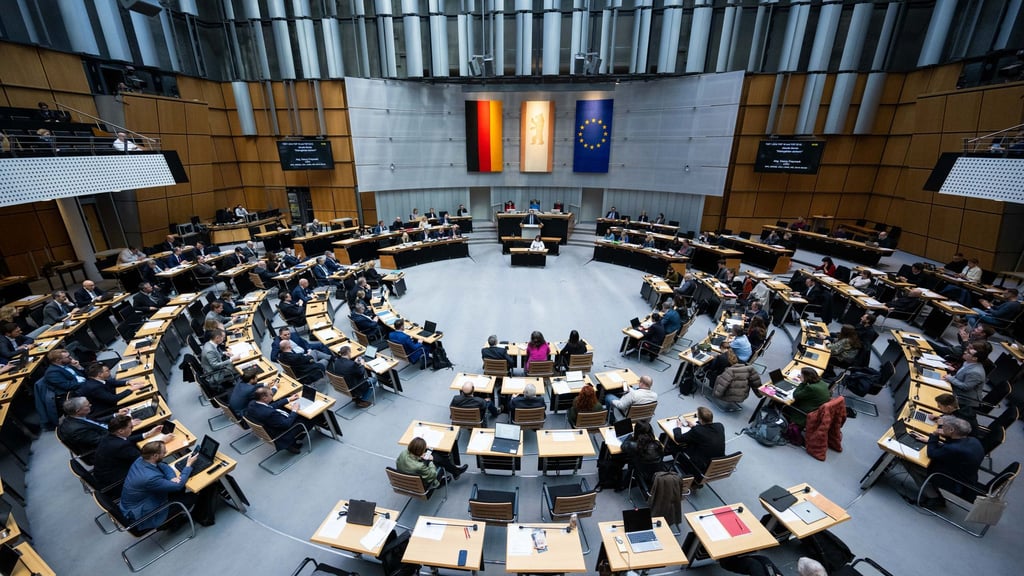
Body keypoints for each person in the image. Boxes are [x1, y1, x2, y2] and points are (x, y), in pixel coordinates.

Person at [907, 417, 984, 509]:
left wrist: (934, 435)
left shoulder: (953, 449)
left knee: (911, 463)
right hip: (968, 478)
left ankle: (934, 498)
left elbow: (931, 453)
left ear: (951, 430)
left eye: (944, 427)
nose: (942, 428)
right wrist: (933, 440)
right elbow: (952, 444)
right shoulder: (974, 441)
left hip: (954, 482)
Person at [119, 441, 197, 530]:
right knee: (192, 496)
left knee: (181, 488)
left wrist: (172, 478)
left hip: (145, 499)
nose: (166, 453)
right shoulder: (149, 478)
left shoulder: (142, 459)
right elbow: (178, 486)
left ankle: (175, 521)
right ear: (155, 456)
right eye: (163, 452)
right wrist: (188, 465)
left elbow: (164, 465)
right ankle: (176, 522)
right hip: (146, 514)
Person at [93, 413, 166, 490]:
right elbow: (145, 459)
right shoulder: (121, 446)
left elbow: (127, 440)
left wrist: (148, 434)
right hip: (117, 480)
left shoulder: (110, 436)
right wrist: (159, 442)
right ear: (121, 431)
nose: (133, 427)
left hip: (103, 473)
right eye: (130, 427)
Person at [246, 386, 308, 453]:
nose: (272, 395)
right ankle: (293, 441)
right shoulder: (269, 413)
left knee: (288, 409)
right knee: (308, 418)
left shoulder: (252, 404)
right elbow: (286, 424)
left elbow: (270, 407)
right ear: (264, 398)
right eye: (271, 394)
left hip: (271, 427)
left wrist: (288, 399)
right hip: (281, 433)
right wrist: (294, 410)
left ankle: (291, 443)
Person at [74, 363, 149, 417]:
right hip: (105, 410)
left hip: (108, 400)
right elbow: (113, 399)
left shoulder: (95, 379)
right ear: (100, 374)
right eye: (107, 371)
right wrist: (130, 390)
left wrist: (127, 382)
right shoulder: (95, 387)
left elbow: (111, 382)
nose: (110, 371)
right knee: (140, 398)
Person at [670, 407, 725, 478]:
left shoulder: (697, 431)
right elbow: (707, 433)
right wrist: (695, 426)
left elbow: (678, 438)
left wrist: (678, 427)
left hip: (699, 469)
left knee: (674, 446)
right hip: (716, 465)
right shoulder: (720, 426)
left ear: (701, 420)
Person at [396, 437, 467, 489]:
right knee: (437, 459)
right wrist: (430, 461)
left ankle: (455, 471)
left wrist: (420, 456)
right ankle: (443, 480)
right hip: (422, 484)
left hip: (406, 478)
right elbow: (433, 475)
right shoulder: (419, 466)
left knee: (435, 455)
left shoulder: (403, 453)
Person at [620, 420, 663, 490]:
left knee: (628, 459)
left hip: (641, 472)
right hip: (657, 472)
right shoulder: (657, 444)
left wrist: (630, 436)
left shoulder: (633, 445)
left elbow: (623, 446)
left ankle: (624, 483)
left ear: (636, 431)